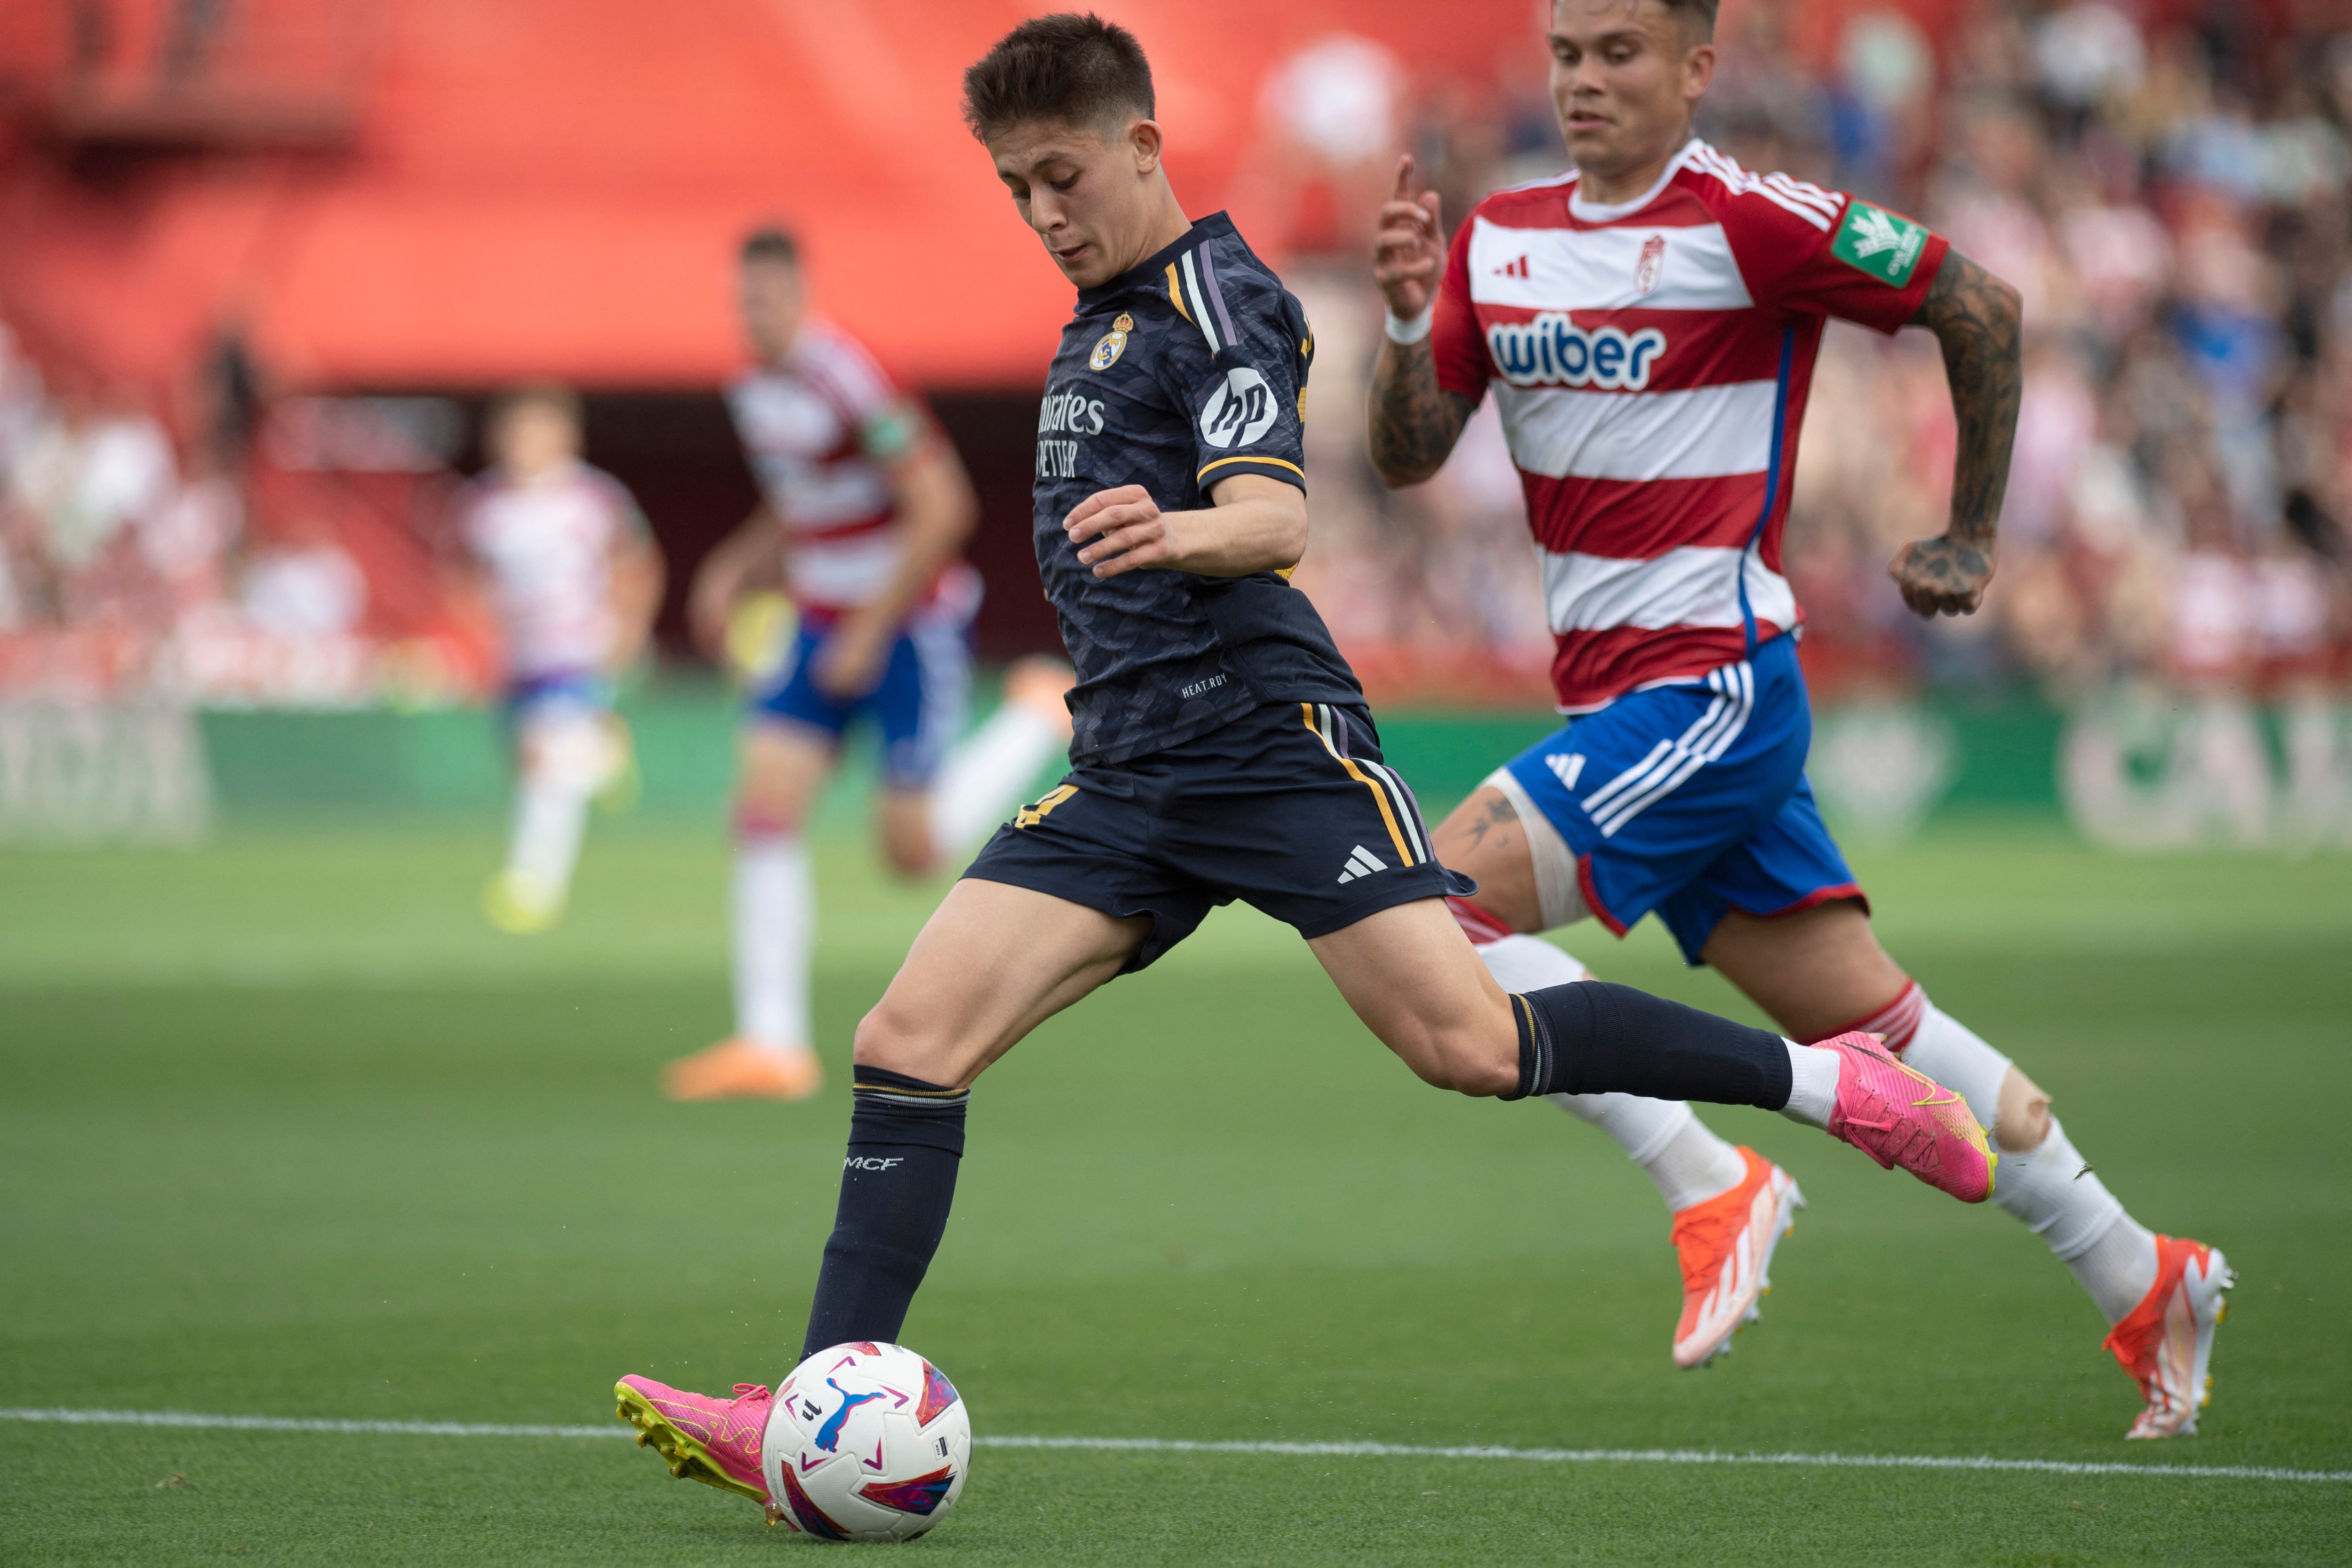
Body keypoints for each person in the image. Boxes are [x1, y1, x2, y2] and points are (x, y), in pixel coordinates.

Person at [614, 13, 1994, 1513]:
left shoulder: (1223, 297)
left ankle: (1825, 1082)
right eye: (1018, 190)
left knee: (1466, 1043)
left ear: (1142, 144)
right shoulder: (1098, 316)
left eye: (1064, 176)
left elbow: (1273, 519)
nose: (1044, 214)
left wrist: (1174, 530)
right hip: (1127, 765)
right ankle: (814, 1409)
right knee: (905, 1040)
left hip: (1266, 742)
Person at [1364, 0, 2228, 1436]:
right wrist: (1404, 315)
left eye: (1619, 54)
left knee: (1423, 912)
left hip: (1709, 689)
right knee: (1894, 1040)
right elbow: (1406, 455)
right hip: (1636, 710)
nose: (1584, 81)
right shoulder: (1497, 239)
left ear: (1695, 67)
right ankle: (2145, 1275)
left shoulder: (1752, 219)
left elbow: (1977, 303)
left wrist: (1968, 534)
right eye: (1567, 55)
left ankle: (1707, 1172)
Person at [660, 225, 1081, 1103]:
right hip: (818, 620)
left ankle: (1039, 713)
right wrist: (737, 566)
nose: (755, 315)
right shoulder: (754, 389)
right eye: (744, 302)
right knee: (763, 807)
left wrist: (868, 625)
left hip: (907, 624)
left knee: (911, 854)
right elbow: (802, 499)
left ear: (802, 294)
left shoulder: (845, 375)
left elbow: (944, 505)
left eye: (769, 299)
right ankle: (771, 1043)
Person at [459, 384, 663, 934]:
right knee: (529, 756)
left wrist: (629, 628)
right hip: (518, 656)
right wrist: (476, 634)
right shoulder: (484, 507)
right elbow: (465, 576)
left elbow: (639, 561)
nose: (525, 444)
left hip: (577, 649)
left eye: (537, 431)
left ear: (565, 437)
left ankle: (533, 885)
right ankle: (602, 756)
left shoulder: (595, 500)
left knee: (543, 764)